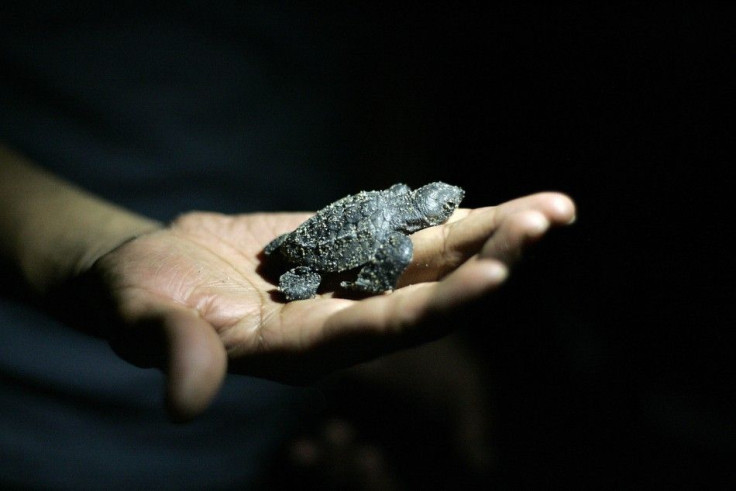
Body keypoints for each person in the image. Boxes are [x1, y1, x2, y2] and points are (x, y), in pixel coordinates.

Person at [0, 3, 575, 488]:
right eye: (443, 206)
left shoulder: (397, 192)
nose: (446, 205)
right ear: (426, 210)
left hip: (262, 427)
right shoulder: (396, 234)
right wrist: (87, 241)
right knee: (350, 269)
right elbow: (390, 249)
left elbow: (389, 71)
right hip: (39, 417)